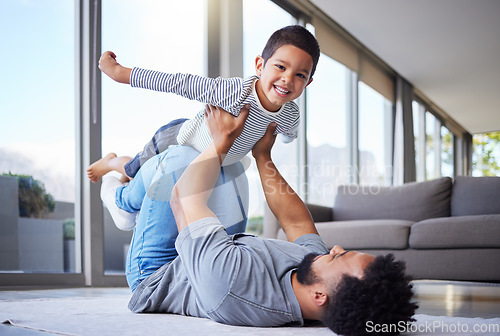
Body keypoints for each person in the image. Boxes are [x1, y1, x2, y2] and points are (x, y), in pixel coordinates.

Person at [107, 104, 417, 335]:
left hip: (157, 272)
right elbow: (296, 224)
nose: (334, 248)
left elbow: (183, 198)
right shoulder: (312, 276)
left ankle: (118, 197)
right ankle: (129, 180)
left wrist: (222, 138)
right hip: (202, 255)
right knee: (234, 167)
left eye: (340, 256)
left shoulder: (233, 285)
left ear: (319, 296)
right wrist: (263, 156)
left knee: (179, 161)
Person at [87, 24, 320, 183]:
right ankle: (111, 161)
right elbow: (178, 83)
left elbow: (291, 134)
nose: (288, 79)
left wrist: (284, 138)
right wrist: (120, 73)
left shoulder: (290, 114)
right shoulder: (235, 92)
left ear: (308, 83)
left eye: (300, 75)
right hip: (178, 139)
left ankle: (123, 172)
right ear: (260, 65)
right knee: (136, 173)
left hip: (213, 160)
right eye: (280, 66)